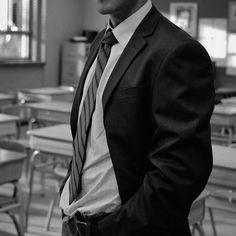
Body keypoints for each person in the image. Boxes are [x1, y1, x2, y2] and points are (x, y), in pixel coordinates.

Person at [59, 0, 215, 235]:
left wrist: (106, 229)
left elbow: (177, 176)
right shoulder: (101, 41)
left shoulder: (177, 51)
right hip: (74, 222)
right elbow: (89, 139)